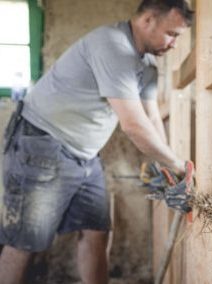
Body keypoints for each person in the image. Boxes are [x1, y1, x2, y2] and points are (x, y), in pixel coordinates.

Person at [0, 1, 194, 283]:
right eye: (172, 33)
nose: (174, 43)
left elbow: (151, 118)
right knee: (24, 241)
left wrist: (168, 166)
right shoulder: (112, 45)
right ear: (148, 20)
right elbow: (133, 126)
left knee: (97, 231)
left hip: (85, 155)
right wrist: (178, 166)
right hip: (43, 143)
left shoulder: (148, 66)